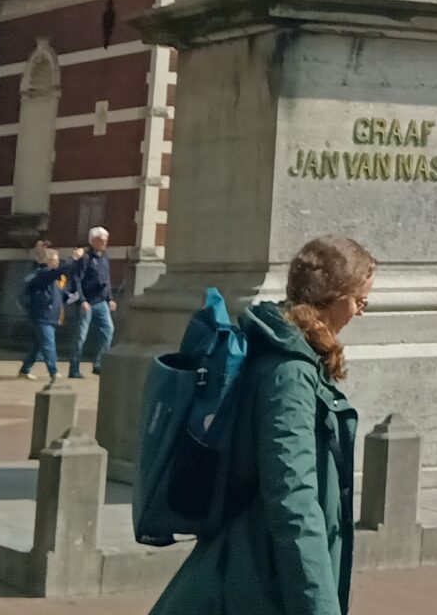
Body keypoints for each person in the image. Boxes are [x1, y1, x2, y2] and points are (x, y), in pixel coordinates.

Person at [148, 236, 370, 615]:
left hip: (257, 570)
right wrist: (318, 607)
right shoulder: (290, 375)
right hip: (259, 583)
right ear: (334, 298)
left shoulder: (287, 356)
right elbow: (293, 500)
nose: (359, 313)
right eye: (359, 302)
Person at [62, 226, 116, 378]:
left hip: (101, 301)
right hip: (86, 302)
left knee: (108, 330)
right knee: (81, 336)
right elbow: (77, 280)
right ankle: (74, 369)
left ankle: (99, 364)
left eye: (106, 240)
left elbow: (107, 279)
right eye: (102, 240)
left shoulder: (105, 257)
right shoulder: (85, 258)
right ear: (93, 241)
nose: (105, 243)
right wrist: (82, 300)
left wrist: (110, 298)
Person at [17, 243, 64, 380]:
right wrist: (74, 260)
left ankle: (25, 370)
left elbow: (59, 295)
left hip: (50, 315)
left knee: (38, 345)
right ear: (49, 261)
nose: (57, 263)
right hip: (42, 316)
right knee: (49, 344)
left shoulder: (53, 278)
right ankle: (53, 371)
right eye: (55, 260)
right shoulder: (43, 274)